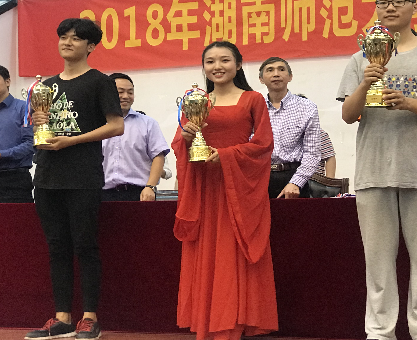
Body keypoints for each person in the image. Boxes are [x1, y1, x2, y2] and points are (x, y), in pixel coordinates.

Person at [337, 0, 417, 340]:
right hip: (373, 171)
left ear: (415, 7)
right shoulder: (360, 58)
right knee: (377, 264)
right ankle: (379, 333)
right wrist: (366, 83)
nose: (390, 7)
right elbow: (347, 115)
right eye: (383, 2)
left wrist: (408, 103)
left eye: (399, 0)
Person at [172, 41, 278, 340]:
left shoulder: (253, 99)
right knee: (208, 252)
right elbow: (179, 144)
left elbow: (264, 144)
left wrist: (228, 155)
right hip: (205, 188)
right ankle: (211, 319)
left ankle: (240, 319)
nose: (217, 66)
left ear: (239, 64)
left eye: (225, 60)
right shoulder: (196, 100)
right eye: (210, 61)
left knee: (235, 251)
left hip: (238, 187)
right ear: (203, 67)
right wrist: (186, 136)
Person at [26, 18, 124, 340]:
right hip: (47, 175)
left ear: (91, 46)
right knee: (57, 246)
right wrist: (39, 121)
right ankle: (62, 317)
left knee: (85, 245)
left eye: (76, 38)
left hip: (83, 174)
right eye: (63, 37)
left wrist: (71, 141)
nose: (67, 42)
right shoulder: (47, 85)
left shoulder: (100, 82)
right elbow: (42, 126)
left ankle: (90, 318)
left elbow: (116, 125)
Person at [258, 57, 321, 199]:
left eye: (281, 69)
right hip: (259, 176)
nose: (276, 74)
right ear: (261, 79)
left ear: (290, 77)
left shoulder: (307, 107)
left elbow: (312, 153)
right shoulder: (255, 107)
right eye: (270, 70)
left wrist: (296, 182)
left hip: (294, 176)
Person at [101, 73, 169, 202]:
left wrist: (150, 187)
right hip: (102, 194)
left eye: (130, 92)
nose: (126, 96)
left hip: (140, 194)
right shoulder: (95, 124)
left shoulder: (148, 123)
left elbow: (158, 156)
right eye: (120, 92)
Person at [0, 64, 34, 203]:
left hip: (15, 180)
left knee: (17, 217)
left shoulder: (25, 109)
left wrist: (2, 154)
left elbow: (31, 143)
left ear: (7, 81)